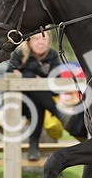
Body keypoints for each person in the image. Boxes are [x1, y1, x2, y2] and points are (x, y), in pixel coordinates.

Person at [7, 32, 66, 161]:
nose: (40, 42)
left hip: (41, 102)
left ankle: (33, 146)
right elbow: (10, 75)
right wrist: (34, 78)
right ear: (29, 41)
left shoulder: (52, 55)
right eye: (36, 38)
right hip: (20, 103)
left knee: (37, 99)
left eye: (44, 39)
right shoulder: (19, 53)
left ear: (49, 41)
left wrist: (27, 75)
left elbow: (56, 83)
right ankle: (59, 113)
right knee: (35, 91)